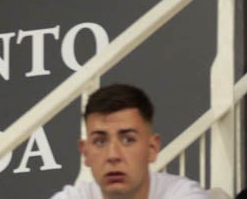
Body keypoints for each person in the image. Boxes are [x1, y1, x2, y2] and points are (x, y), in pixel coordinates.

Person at [48, 83, 210, 199]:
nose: (113, 155)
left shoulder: (184, 194)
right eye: (100, 142)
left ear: (152, 148)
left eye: (127, 140)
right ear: (85, 153)